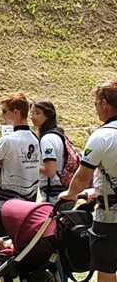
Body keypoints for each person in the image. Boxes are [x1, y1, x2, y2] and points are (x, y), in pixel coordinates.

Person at [59, 80, 117, 282]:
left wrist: (70, 194)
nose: (96, 109)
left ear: (105, 103)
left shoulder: (103, 136)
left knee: (107, 268)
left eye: (96, 104)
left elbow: (83, 176)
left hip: (110, 217)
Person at [0, 92, 40, 239]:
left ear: (16, 112)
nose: (2, 115)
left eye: (4, 111)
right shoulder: (36, 139)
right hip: (29, 201)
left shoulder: (8, 140)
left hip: (5, 202)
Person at [32, 100, 67, 204]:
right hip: (61, 190)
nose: (32, 116)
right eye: (32, 113)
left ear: (48, 116)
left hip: (53, 194)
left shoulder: (47, 139)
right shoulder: (58, 135)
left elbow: (50, 171)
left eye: (37, 113)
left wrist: (31, 165)